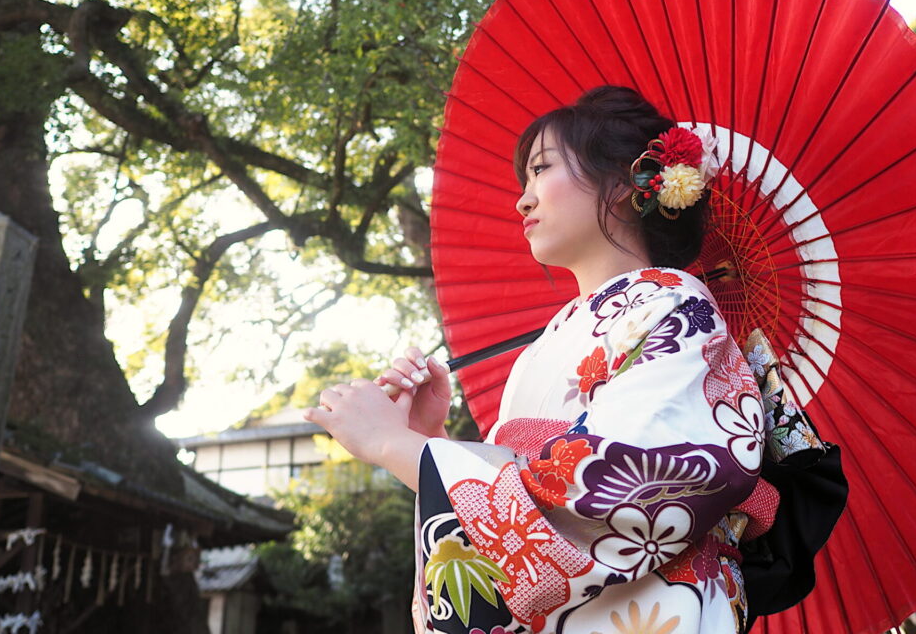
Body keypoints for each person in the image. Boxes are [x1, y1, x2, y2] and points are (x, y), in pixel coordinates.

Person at [305, 86, 769, 634]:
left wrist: (396, 445)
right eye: (525, 179)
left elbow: (618, 490)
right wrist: (435, 441)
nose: (522, 200)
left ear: (625, 182)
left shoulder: (676, 304)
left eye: (542, 168)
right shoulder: (546, 345)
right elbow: (511, 509)